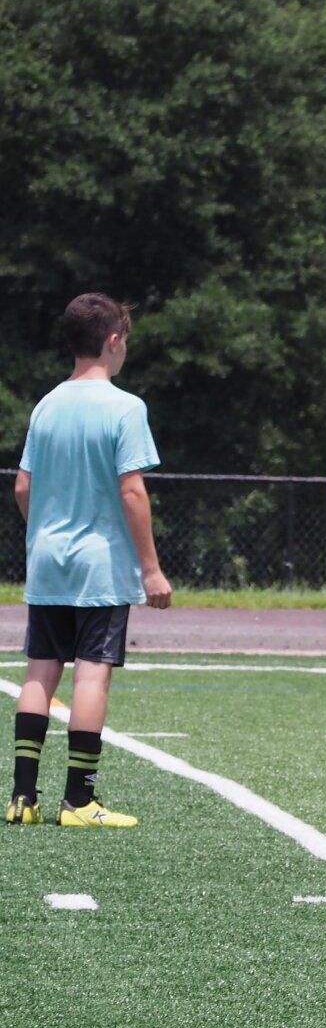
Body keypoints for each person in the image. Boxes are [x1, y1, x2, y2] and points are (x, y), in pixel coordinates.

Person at [8, 293, 173, 828]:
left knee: (41, 670)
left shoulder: (46, 404)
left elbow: (23, 486)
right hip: (99, 567)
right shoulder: (125, 407)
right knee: (91, 676)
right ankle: (78, 802)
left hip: (48, 562)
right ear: (113, 340)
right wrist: (151, 569)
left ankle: (22, 799)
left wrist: (44, 535)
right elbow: (132, 491)